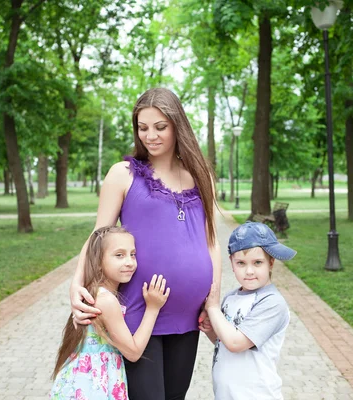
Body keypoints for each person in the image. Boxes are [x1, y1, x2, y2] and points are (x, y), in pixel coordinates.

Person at [69, 88, 222, 400]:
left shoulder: (201, 174)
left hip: (188, 316)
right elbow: (98, 235)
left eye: (160, 127)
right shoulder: (123, 175)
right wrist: (76, 285)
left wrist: (213, 300)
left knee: (175, 396)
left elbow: (212, 241)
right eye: (143, 127)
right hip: (140, 312)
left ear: (178, 125)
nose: (150, 135)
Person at [50, 226, 170, 400]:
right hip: (93, 387)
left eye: (133, 254)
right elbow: (133, 352)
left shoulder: (95, 292)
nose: (129, 262)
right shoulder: (106, 301)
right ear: (98, 261)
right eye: (119, 255)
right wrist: (153, 308)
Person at [202, 222, 297, 400]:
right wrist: (212, 330)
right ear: (231, 263)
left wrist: (213, 309)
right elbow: (224, 341)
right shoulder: (231, 298)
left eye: (257, 262)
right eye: (241, 263)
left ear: (271, 263)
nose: (249, 271)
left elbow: (236, 343)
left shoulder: (272, 303)